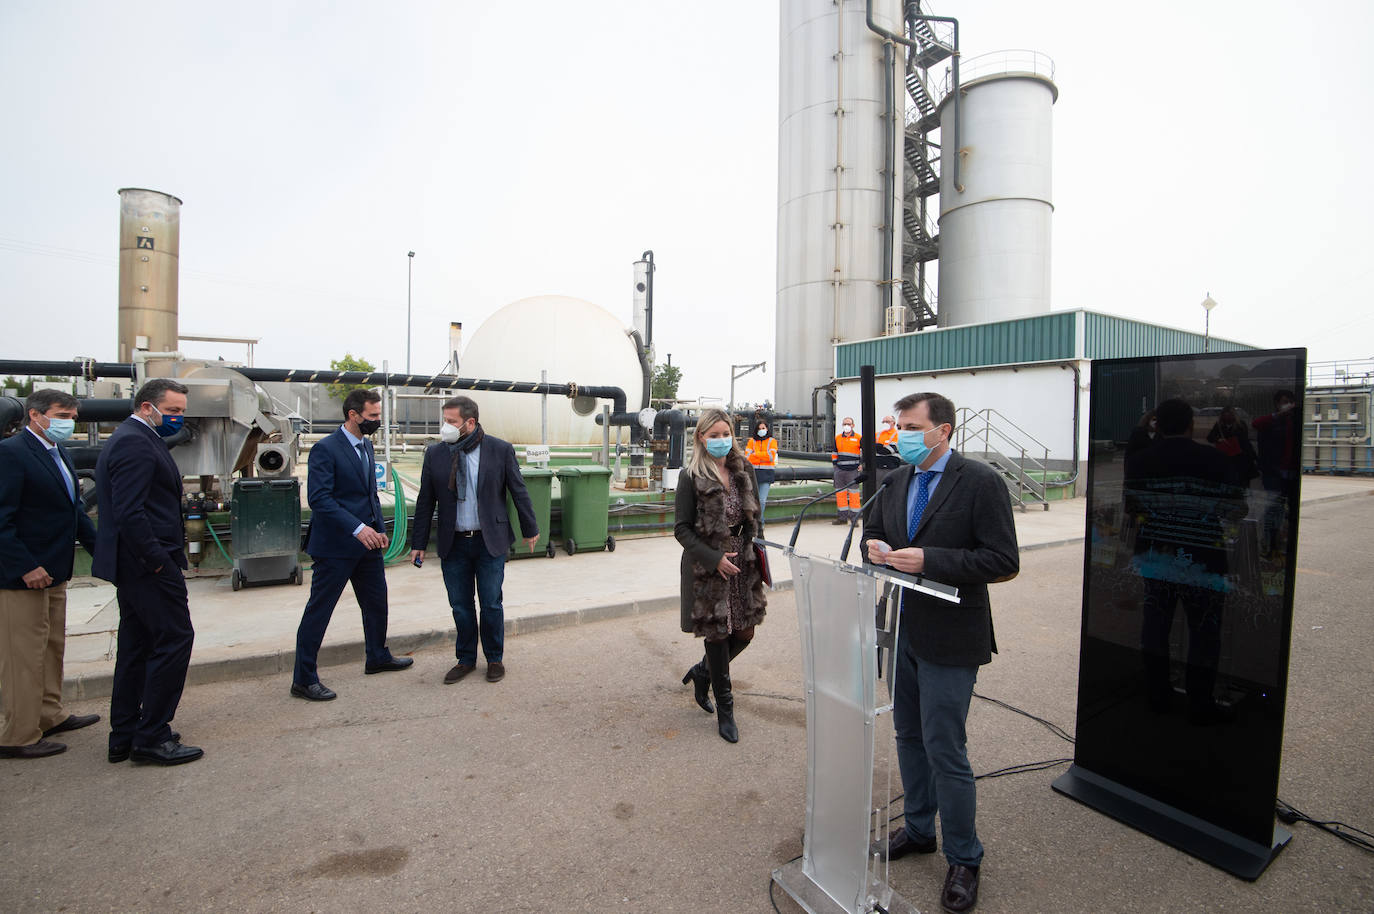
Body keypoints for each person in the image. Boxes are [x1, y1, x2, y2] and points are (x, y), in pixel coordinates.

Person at [861, 392, 1019, 914]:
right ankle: (920, 829)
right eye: (898, 425)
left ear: (942, 431)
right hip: (902, 628)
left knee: (944, 745)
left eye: (910, 426)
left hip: (952, 637)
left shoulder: (980, 483)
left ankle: (964, 857)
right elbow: (878, 530)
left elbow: (1002, 560)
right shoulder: (895, 481)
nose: (900, 434)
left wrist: (931, 559)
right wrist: (874, 548)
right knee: (908, 735)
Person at [93, 379, 203, 765]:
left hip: (137, 565)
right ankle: (152, 735)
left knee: (138, 645)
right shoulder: (135, 443)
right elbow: (130, 512)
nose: (178, 418)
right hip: (147, 565)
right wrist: (157, 560)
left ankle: (125, 733)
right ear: (146, 407)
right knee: (174, 639)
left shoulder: (136, 437)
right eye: (172, 410)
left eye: (181, 411)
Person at [291, 389, 413, 702]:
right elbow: (319, 499)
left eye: (378, 417)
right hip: (335, 546)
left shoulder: (366, 446)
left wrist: (379, 529)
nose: (377, 422)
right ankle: (303, 679)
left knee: (376, 603)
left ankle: (377, 656)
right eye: (372, 417)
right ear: (353, 415)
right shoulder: (325, 449)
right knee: (320, 611)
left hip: (368, 545)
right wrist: (358, 529)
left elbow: (370, 494)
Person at [410, 396, 538, 684]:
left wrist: (531, 527)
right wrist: (417, 542)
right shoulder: (435, 454)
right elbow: (425, 501)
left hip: (488, 540)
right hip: (453, 543)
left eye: (452, 422)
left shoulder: (499, 450)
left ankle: (494, 658)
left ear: (470, 422)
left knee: (491, 603)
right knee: (460, 605)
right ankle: (465, 659)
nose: (446, 427)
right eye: (445, 421)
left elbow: (519, 490)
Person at [0, 390, 100, 759]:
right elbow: (1, 519)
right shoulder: (11, 454)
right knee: (22, 655)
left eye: (72, 415)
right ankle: (17, 734)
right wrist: (24, 565)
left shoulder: (57, 453)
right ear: (35, 415)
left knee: (50, 647)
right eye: (62, 414)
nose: (68, 422)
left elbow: (74, 511)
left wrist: (103, 553)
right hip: (22, 576)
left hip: (54, 571)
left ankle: (49, 712)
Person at [675, 407, 767, 743]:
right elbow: (681, 530)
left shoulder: (745, 470)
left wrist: (752, 549)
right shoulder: (690, 476)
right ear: (700, 437)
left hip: (742, 563)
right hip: (708, 568)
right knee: (717, 635)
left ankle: (703, 674)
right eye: (713, 435)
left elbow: (754, 514)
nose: (721, 440)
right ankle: (725, 709)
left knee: (744, 632)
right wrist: (715, 559)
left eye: (725, 434)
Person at [744, 418, 778, 517]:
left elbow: (771, 456)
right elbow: (747, 458)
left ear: (767, 429)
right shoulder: (752, 441)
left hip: (766, 474)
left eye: (763, 428)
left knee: (762, 501)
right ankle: (753, 522)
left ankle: (760, 523)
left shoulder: (772, 441)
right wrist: (763, 456)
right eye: (759, 428)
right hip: (753, 474)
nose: (761, 430)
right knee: (753, 501)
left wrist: (755, 455)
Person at [831, 416, 862, 524]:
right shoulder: (838, 438)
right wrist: (835, 467)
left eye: (848, 424)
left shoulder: (859, 437)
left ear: (853, 425)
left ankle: (854, 519)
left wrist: (862, 464)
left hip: (853, 471)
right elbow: (834, 453)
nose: (846, 426)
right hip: (839, 470)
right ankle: (842, 518)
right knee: (840, 495)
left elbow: (864, 452)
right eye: (844, 424)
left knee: (854, 495)